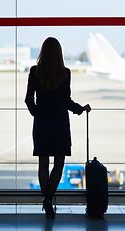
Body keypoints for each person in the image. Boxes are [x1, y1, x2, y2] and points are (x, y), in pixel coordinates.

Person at [25, 37, 91, 218]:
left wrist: (37, 114)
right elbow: (65, 101)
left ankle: (46, 200)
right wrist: (80, 109)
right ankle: (48, 199)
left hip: (42, 124)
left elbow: (28, 100)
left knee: (43, 163)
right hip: (60, 123)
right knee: (59, 163)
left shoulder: (34, 72)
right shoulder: (65, 73)